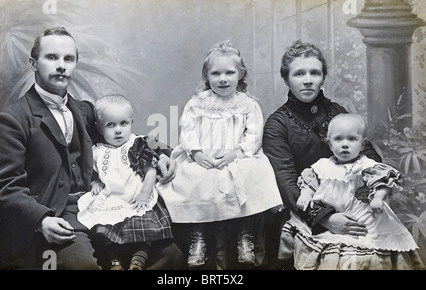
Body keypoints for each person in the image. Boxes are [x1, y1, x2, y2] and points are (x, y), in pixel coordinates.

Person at [0, 26, 178, 270]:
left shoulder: (85, 110)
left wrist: (161, 154)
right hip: (52, 217)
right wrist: (41, 220)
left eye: (68, 59)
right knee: (82, 266)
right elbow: (4, 187)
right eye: (51, 57)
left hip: (97, 208)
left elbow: (125, 139)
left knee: (171, 255)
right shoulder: (12, 120)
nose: (61, 65)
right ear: (33, 63)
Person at [157, 40, 283, 269]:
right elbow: (187, 130)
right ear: (207, 76)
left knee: (254, 172)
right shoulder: (197, 103)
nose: (223, 79)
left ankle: (246, 235)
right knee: (194, 178)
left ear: (240, 74)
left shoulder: (247, 104)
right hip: (204, 157)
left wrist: (238, 154)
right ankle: (200, 236)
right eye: (216, 73)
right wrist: (195, 153)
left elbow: (254, 134)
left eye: (229, 72)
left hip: (236, 157)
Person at [262, 40, 382, 269]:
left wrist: (366, 192)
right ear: (286, 79)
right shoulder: (278, 124)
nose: (308, 80)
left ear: (322, 77)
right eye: (299, 73)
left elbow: (369, 157)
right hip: (302, 211)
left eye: (314, 73)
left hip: (352, 206)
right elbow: (286, 184)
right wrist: (326, 218)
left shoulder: (337, 112)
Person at [279, 113, 424, 269]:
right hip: (333, 217)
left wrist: (377, 198)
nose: (345, 144)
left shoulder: (366, 166)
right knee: (329, 252)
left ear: (362, 145)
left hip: (363, 219)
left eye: (352, 139)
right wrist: (306, 194)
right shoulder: (322, 166)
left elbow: (383, 182)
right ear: (330, 144)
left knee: (366, 250)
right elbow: (309, 182)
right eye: (338, 139)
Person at [77, 95, 175, 270]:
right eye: (110, 125)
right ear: (99, 129)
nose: (118, 130)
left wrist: (144, 193)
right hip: (113, 195)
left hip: (136, 193)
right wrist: (95, 182)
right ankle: (115, 260)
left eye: (123, 123)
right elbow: (92, 171)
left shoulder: (137, 145)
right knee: (107, 226)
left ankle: (139, 258)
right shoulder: (97, 151)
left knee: (142, 224)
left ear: (131, 122)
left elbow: (150, 171)